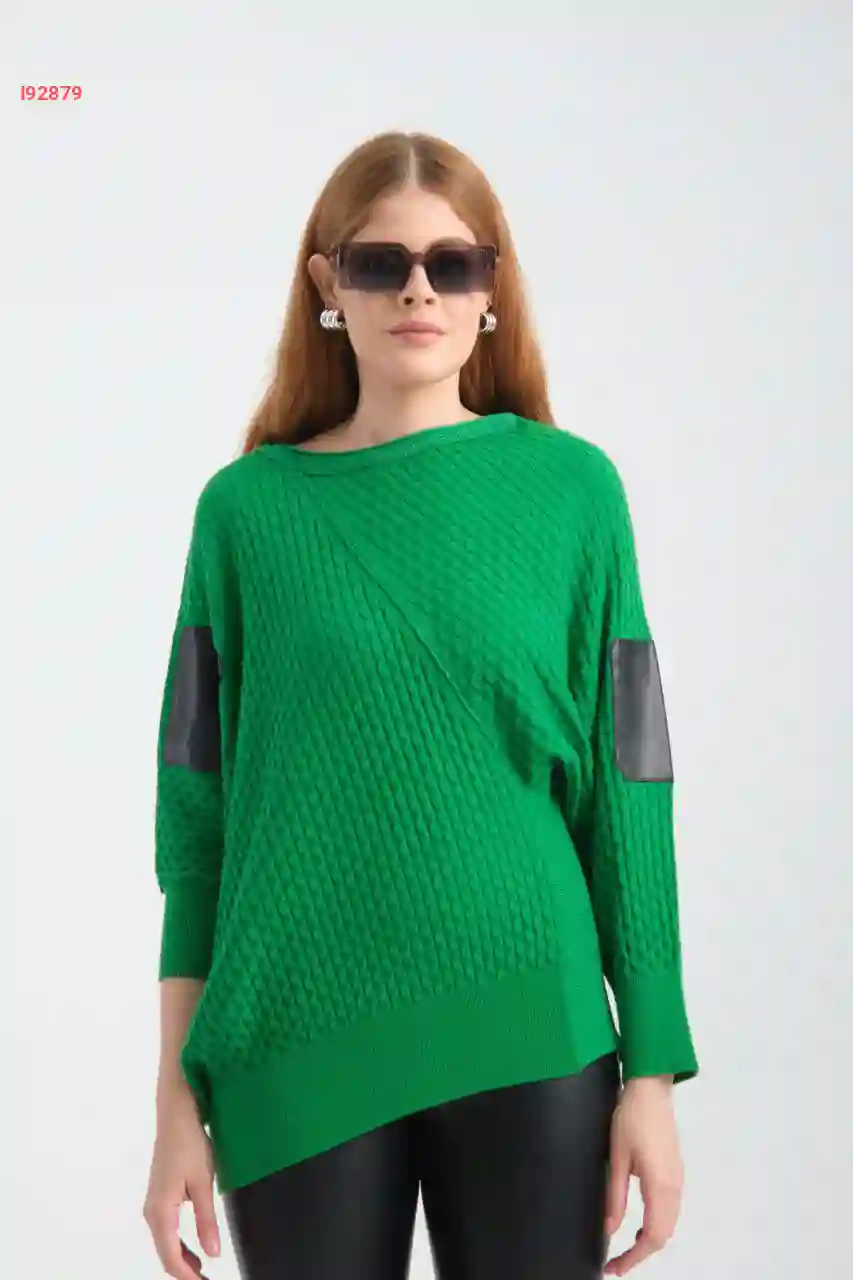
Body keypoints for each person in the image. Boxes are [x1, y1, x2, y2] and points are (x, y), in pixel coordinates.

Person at [142, 129, 700, 1280]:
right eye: (378, 262)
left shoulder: (573, 492)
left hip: (531, 1026)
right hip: (293, 1036)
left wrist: (650, 1069)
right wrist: (173, 1097)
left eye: (452, 263)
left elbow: (630, 784)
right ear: (326, 282)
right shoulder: (244, 514)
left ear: (491, 289)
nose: (416, 290)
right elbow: (195, 820)